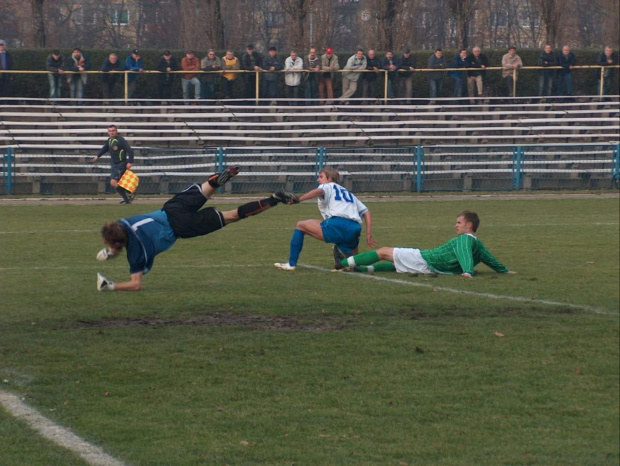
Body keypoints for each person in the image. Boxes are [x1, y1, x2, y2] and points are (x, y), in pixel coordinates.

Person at [96, 168, 299, 291]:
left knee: (233, 215)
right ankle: (219, 179)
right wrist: (110, 252)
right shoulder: (123, 221)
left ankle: (275, 199)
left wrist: (110, 285)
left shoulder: (137, 253)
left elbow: (135, 285)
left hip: (182, 226)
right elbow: (119, 237)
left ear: (118, 243)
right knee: (204, 189)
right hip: (171, 208)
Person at [334, 210, 516, 279]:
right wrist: (504, 270)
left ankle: (342, 263)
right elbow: (489, 258)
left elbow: (464, 254)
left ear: (469, 225)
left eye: (459, 222)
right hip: (434, 268)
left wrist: (468, 271)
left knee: (383, 251)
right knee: (396, 266)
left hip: (427, 259)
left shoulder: (465, 239)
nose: (456, 225)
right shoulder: (477, 243)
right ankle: (362, 270)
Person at [274, 167, 375, 271]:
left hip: (337, 224)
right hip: (355, 228)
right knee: (353, 263)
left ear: (330, 178)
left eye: (321, 177)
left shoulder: (327, 186)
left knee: (300, 225)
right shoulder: (348, 193)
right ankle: (343, 262)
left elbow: (319, 191)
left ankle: (291, 264)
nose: (318, 179)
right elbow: (366, 212)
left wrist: (300, 199)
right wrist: (368, 234)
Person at [92, 125, 135, 204]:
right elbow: (105, 148)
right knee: (116, 183)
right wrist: (98, 156)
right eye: (110, 131)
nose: (112, 132)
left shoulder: (120, 140)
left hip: (121, 163)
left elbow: (130, 151)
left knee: (113, 182)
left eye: (113, 131)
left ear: (116, 131)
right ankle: (128, 197)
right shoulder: (109, 140)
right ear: (108, 132)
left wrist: (130, 161)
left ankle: (128, 196)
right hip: (114, 164)